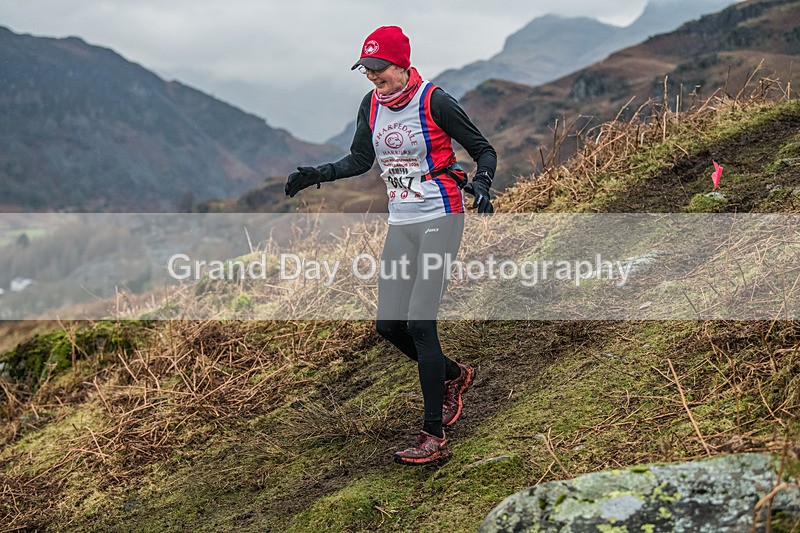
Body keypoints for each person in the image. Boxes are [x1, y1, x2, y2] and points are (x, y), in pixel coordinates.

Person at [285, 25, 496, 465]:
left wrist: (482, 184)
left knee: (420, 324)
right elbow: (361, 159)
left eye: (379, 69)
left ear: (402, 64)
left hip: (441, 216)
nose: (372, 77)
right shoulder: (372, 104)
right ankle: (454, 376)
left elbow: (483, 149)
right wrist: (316, 173)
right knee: (388, 325)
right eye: (366, 69)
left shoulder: (434, 101)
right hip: (402, 223)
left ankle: (433, 435)